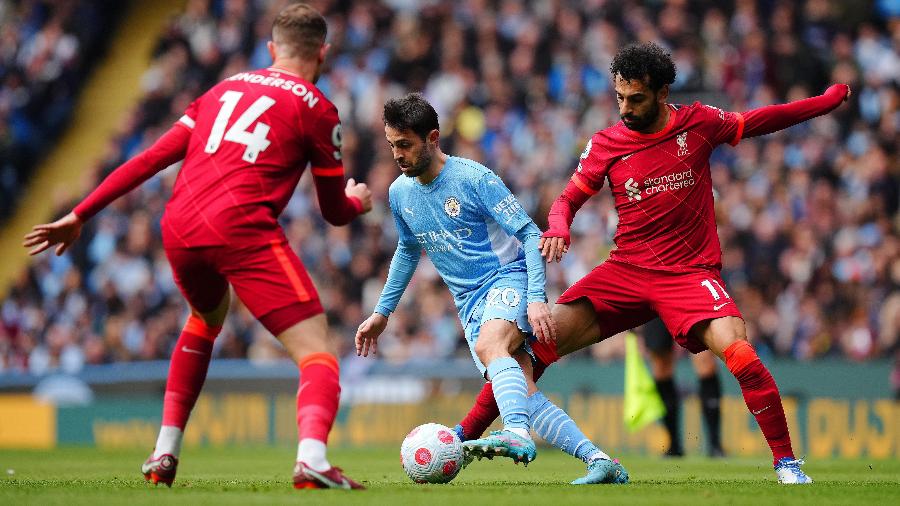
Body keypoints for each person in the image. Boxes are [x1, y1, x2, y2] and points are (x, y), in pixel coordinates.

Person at [451, 42, 850, 485]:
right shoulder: (606, 143)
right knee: (530, 348)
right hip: (626, 271)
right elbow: (566, 199)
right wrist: (560, 226)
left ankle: (787, 465)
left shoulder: (698, 123)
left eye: (636, 99)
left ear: (662, 93)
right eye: (620, 98)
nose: (625, 108)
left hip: (688, 274)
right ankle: (460, 438)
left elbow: (759, 120)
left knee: (741, 356)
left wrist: (825, 103)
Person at [23, 3, 370, 491]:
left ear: (271, 50)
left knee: (206, 319)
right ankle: (311, 457)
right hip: (241, 228)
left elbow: (151, 158)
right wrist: (357, 201)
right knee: (318, 353)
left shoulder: (221, 90)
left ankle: (165, 451)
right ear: (324, 54)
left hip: (180, 228)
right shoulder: (317, 107)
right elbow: (333, 213)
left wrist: (80, 213)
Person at [354, 93, 628, 485]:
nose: (397, 154)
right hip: (469, 305)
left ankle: (515, 433)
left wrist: (535, 298)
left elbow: (530, 234)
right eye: (392, 144)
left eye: (405, 145)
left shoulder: (473, 178)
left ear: (432, 138)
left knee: (491, 348)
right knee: (523, 389)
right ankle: (600, 461)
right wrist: (382, 313)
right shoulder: (400, 193)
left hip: (508, 279)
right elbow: (407, 250)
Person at [641, 318, 724, 457]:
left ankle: (715, 444)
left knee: (705, 362)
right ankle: (674, 444)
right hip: (655, 305)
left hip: (691, 299)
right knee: (661, 368)